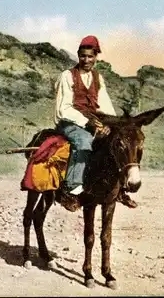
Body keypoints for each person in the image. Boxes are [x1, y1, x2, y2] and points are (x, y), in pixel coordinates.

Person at [54, 35, 137, 209]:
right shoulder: (67, 76)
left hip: (95, 121)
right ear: (78, 55)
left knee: (117, 143)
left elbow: (105, 105)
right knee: (84, 141)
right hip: (70, 122)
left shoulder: (98, 78)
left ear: (96, 57)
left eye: (90, 56)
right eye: (83, 56)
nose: (86, 60)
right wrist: (89, 123)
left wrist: (113, 126)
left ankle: (119, 188)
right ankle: (71, 190)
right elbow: (64, 109)